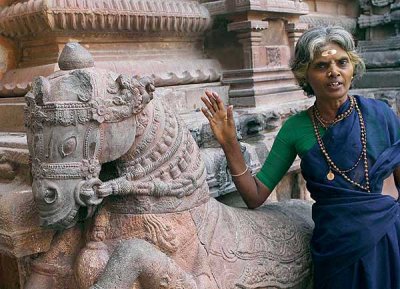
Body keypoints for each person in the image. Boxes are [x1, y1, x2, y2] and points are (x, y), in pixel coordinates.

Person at [201, 26, 400, 289]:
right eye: (321, 65)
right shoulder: (295, 128)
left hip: (386, 238)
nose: (334, 72)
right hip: (335, 248)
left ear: (353, 67)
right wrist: (230, 144)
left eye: (342, 62)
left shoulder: (380, 115)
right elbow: (255, 195)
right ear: (304, 74)